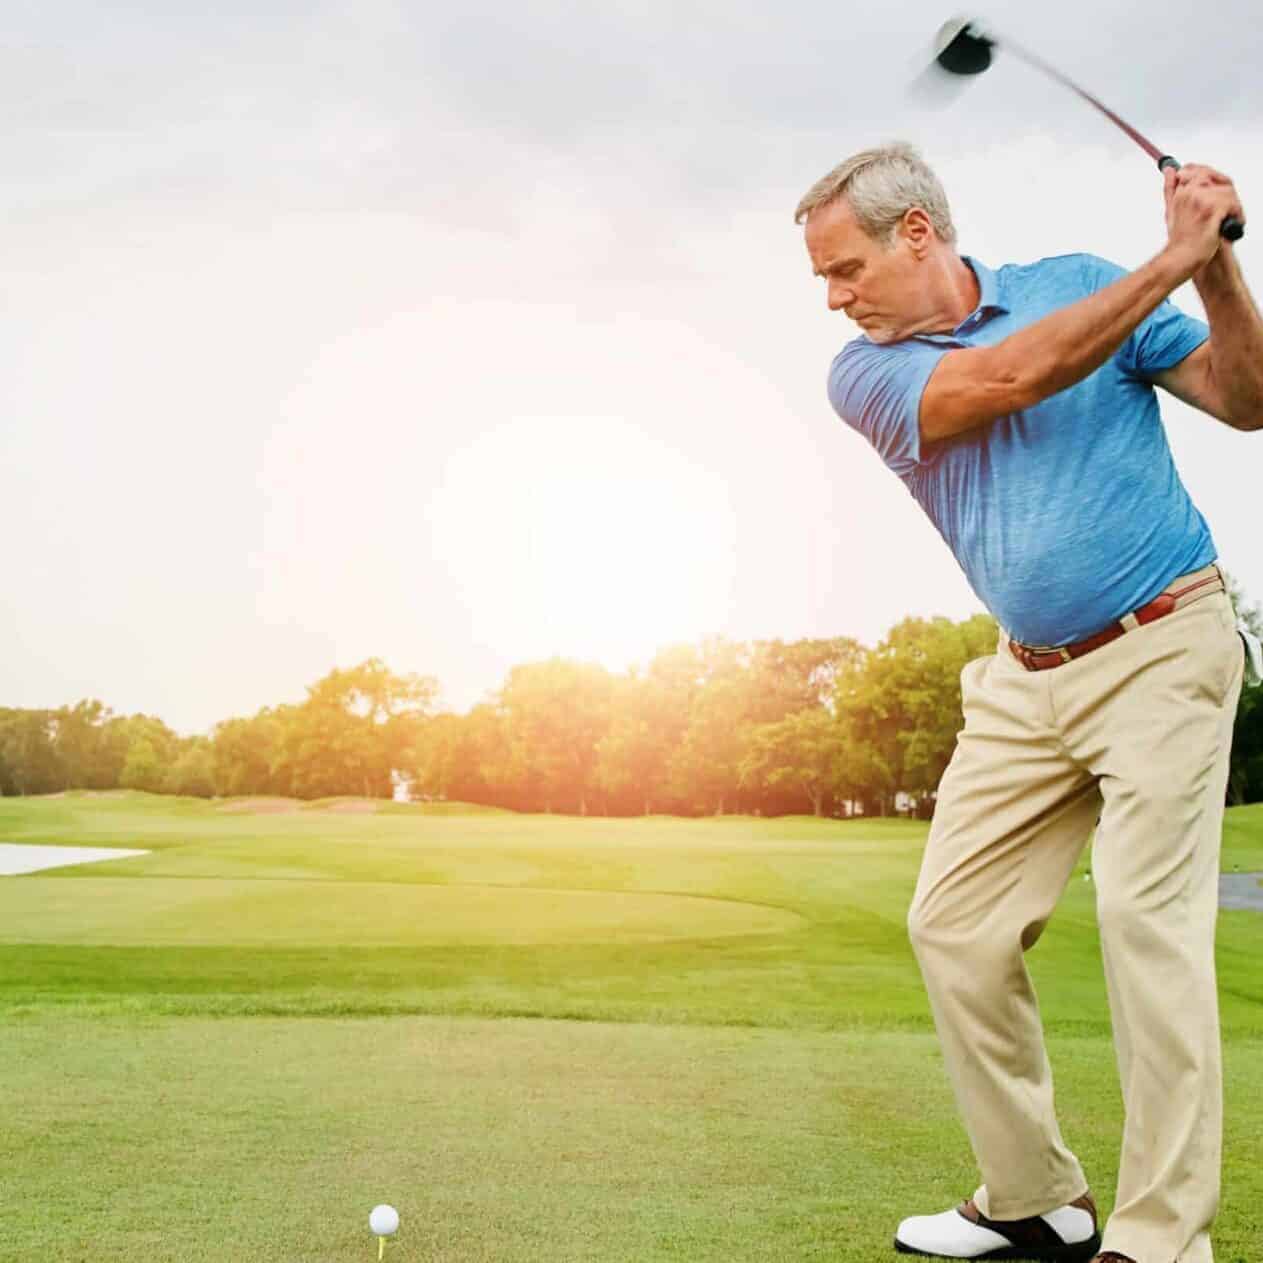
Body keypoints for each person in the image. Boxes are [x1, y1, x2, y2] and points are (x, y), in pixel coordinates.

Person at [795, 142, 1263, 1263]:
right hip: (1023, 679)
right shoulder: (863, 373)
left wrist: (1215, 272)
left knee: (1144, 925)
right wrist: (1171, 257)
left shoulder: (1078, 279)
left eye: (846, 267)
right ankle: (1034, 1199)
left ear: (918, 233)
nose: (834, 296)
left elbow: (1247, 403)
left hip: (1164, 642)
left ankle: (1160, 1240)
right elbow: (1006, 381)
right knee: (952, 926)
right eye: (821, 278)